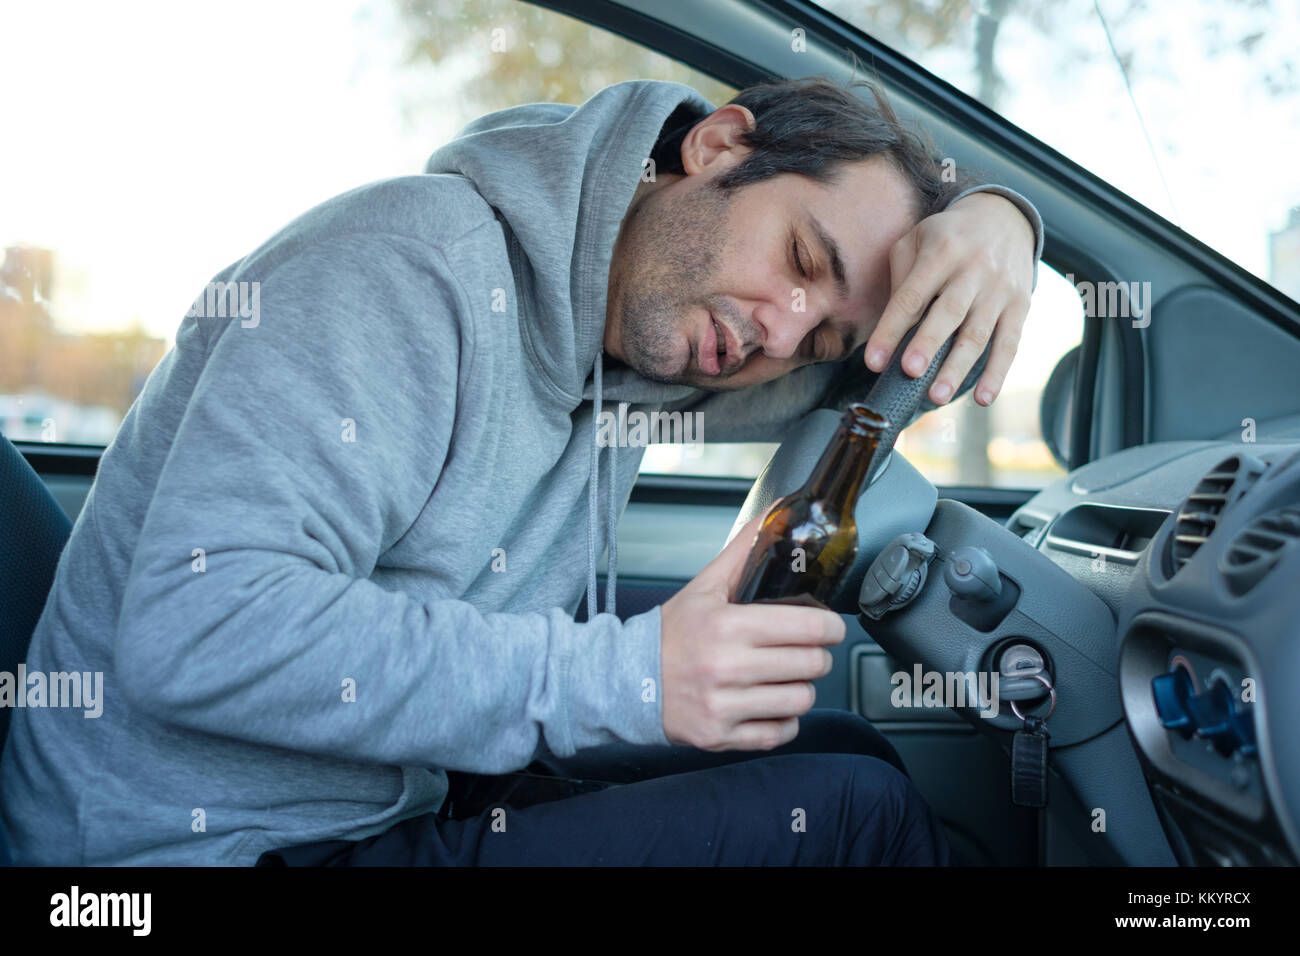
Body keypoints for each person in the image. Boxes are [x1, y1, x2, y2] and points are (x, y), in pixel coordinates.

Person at [0, 75, 1042, 866]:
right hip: (184, 854)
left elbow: (899, 370)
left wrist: (1002, 220)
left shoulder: (651, 349)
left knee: (853, 750)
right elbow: (198, 624)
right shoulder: (400, 272)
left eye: (814, 336)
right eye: (803, 259)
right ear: (718, 145)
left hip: (382, 799)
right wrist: (627, 676)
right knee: (865, 817)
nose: (778, 331)